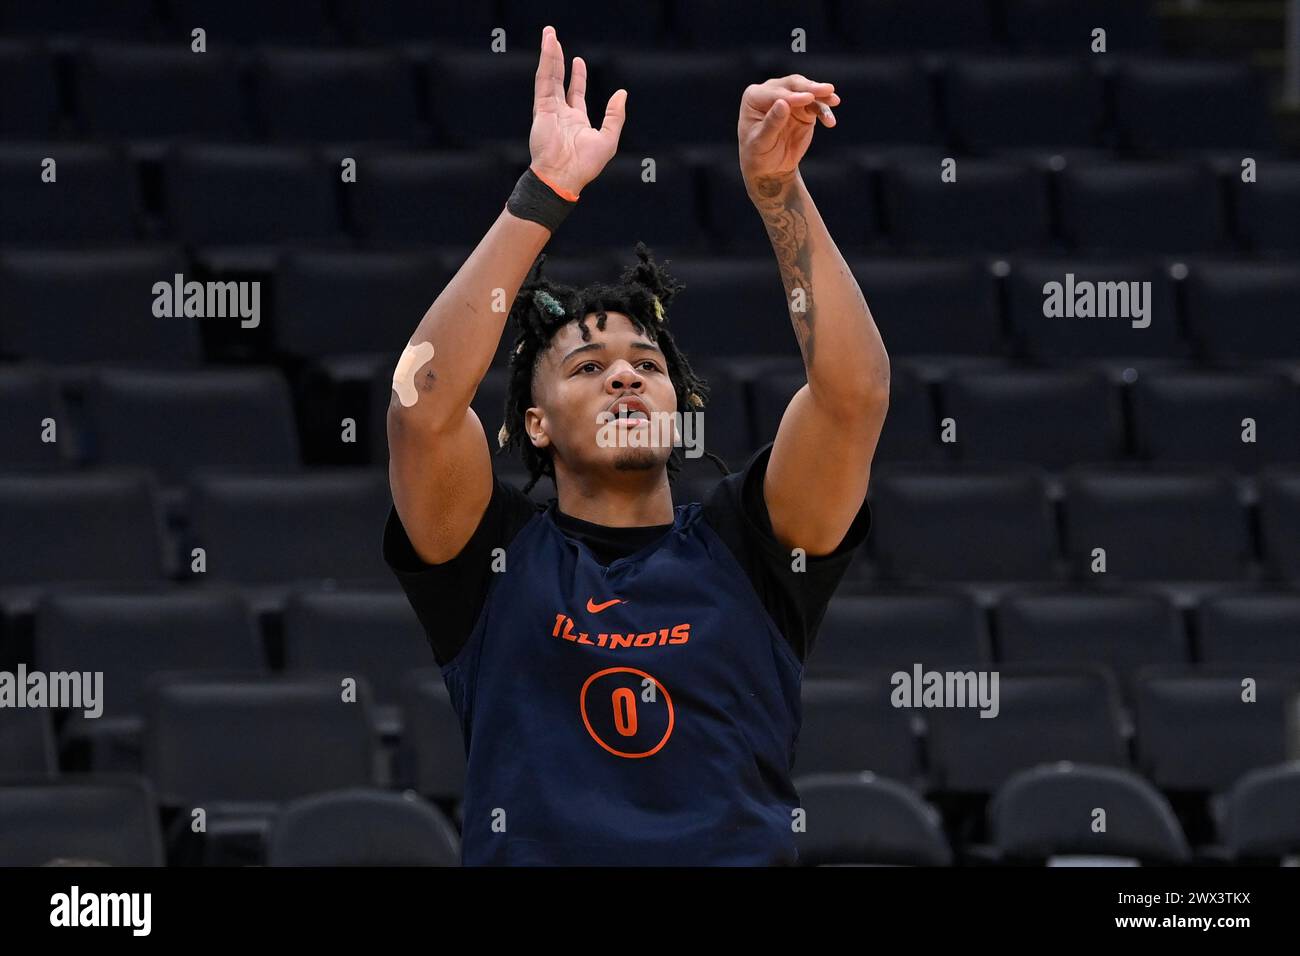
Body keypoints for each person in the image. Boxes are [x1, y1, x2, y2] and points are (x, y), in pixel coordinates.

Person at [384, 25, 889, 865]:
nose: (624, 378)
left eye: (646, 364)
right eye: (587, 366)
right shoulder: (492, 560)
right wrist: (543, 194)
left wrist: (777, 191)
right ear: (534, 423)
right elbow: (418, 407)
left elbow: (855, 396)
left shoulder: (749, 548)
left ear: (680, 403)